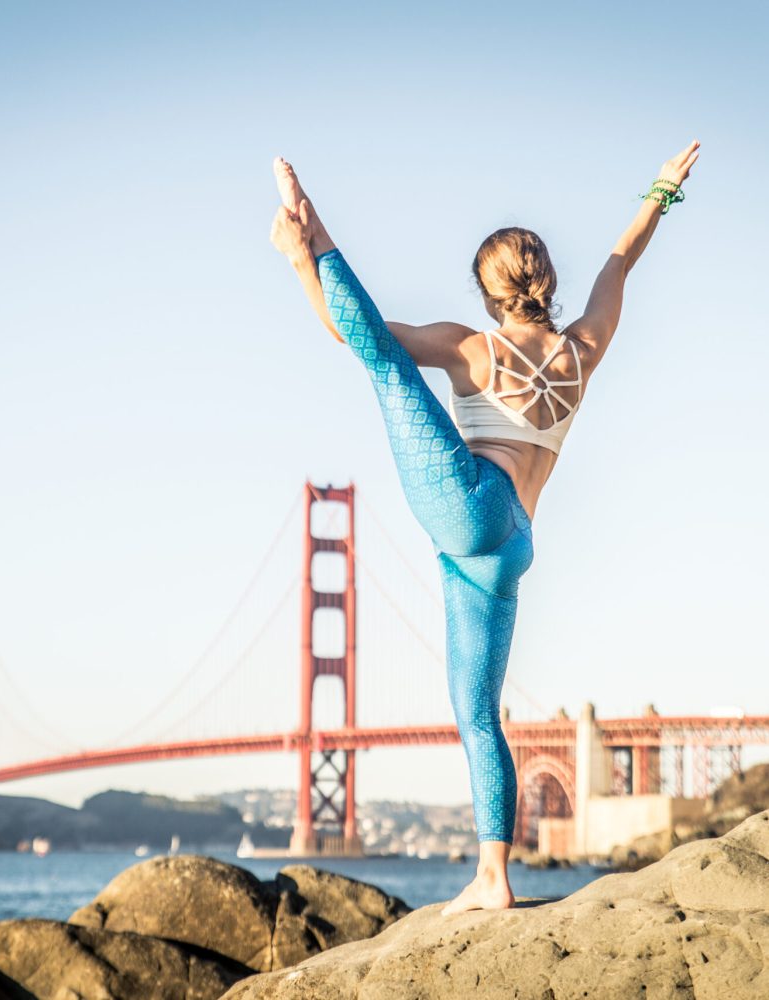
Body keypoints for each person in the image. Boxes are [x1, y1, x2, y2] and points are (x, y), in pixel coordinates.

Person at [268, 141, 700, 913]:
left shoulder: (470, 347)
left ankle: (317, 229)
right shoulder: (584, 349)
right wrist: (661, 192)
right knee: (476, 713)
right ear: (547, 283)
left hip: (472, 501)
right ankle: (493, 879)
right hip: (511, 546)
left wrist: (308, 255)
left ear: (486, 288)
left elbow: (356, 334)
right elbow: (620, 263)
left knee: (389, 369)